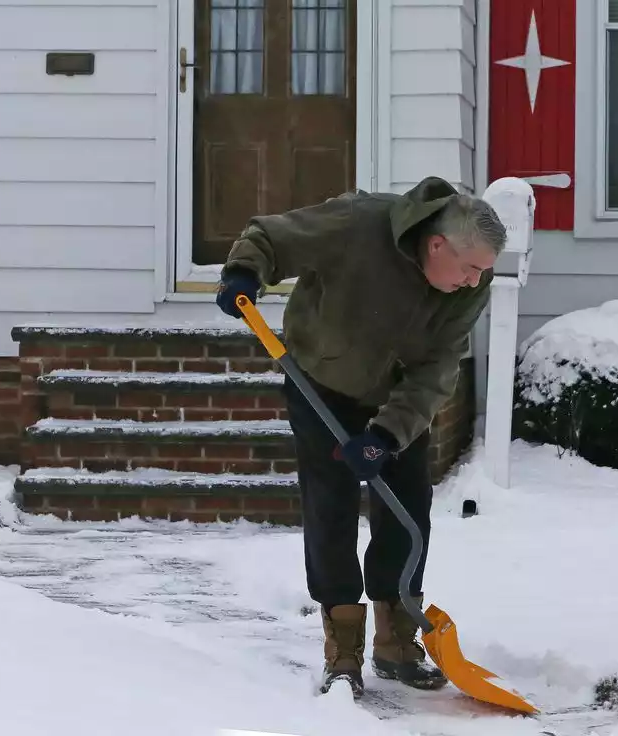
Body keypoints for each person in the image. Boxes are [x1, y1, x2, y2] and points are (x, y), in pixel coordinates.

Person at [214, 176, 507, 697]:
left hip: (396, 398)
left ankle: (396, 641)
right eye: (470, 268)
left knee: (407, 508)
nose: (475, 281)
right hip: (321, 383)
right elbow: (272, 236)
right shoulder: (357, 223)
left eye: (483, 272)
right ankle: (342, 648)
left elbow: (438, 369)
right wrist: (244, 271)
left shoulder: (472, 285)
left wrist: (386, 436)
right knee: (331, 507)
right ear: (438, 243)